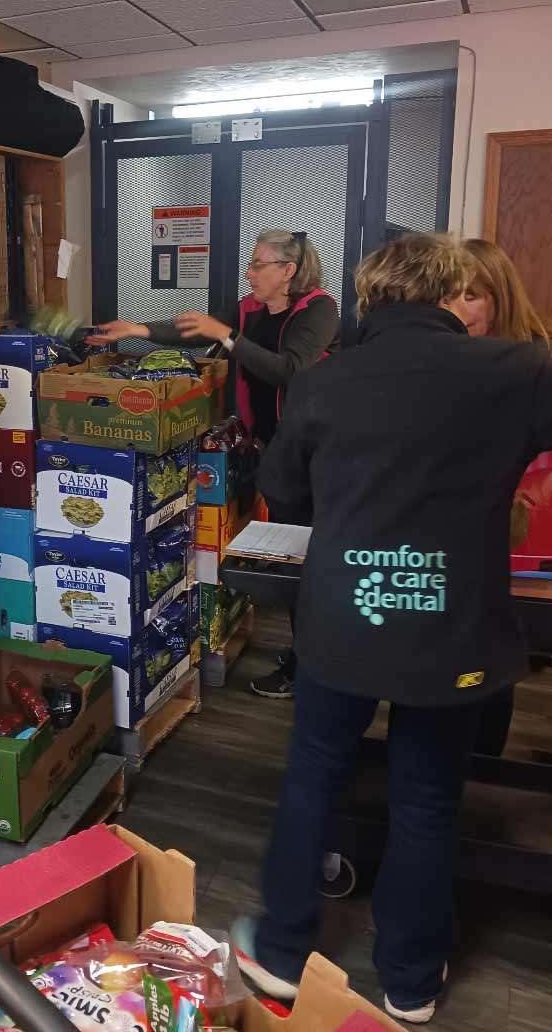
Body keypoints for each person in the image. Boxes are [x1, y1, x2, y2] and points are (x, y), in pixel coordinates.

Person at [229, 234, 552, 1023]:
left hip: (344, 617)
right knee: (427, 798)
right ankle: (409, 980)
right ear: (450, 295)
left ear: (368, 298)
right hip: (454, 626)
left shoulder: (325, 383)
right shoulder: (520, 371)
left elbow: (285, 492)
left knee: (313, 775)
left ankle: (278, 957)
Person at [89, 229, 340, 698]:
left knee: (311, 557)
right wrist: (139, 330)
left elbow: (290, 369)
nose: (249, 273)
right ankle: (307, 655)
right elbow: (196, 331)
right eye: (251, 263)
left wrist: (226, 336)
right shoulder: (248, 310)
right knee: (293, 556)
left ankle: (315, 665)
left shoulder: (320, 311)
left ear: (288, 271)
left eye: (258, 264)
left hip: (318, 451)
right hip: (273, 446)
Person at [461, 240, 550, 755]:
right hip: (457, 532)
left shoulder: (534, 362)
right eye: (450, 295)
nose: (458, 308)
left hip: (516, 538)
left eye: (472, 296)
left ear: (500, 297)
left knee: (493, 666)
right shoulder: (447, 358)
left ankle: (480, 766)